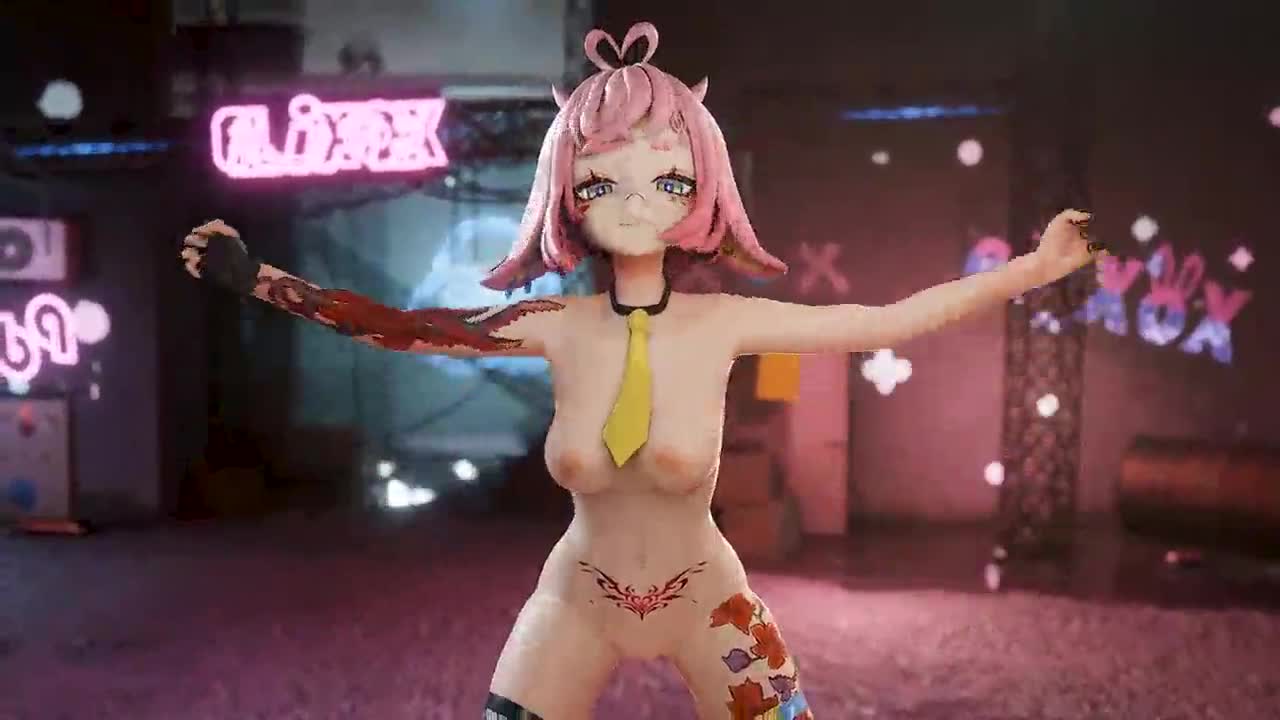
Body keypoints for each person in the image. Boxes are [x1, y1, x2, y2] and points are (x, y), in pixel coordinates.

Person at [181, 21, 1101, 720]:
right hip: (576, 598)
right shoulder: (554, 325)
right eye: (598, 180)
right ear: (566, 194)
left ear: (701, 191)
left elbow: (886, 320)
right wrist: (259, 279)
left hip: (710, 600)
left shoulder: (723, 321)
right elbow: (407, 331)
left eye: (666, 179)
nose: (631, 202)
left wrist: (1033, 269)